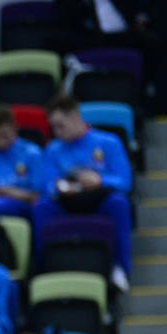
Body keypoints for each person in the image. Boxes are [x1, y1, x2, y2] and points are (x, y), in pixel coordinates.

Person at [33, 94, 134, 291]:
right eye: (53, 127)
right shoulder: (53, 149)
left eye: (61, 126)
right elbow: (46, 185)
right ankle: (42, 268)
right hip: (68, 200)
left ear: (75, 117)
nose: (57, 132)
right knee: (41, 207)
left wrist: (100, 180)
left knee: (120, 204)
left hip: (99, 199)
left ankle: (120, 268)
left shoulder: (108, 142)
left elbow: (125, 181)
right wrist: (59, 186)